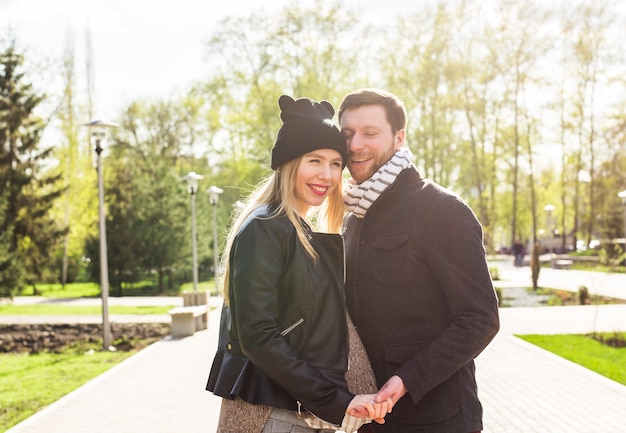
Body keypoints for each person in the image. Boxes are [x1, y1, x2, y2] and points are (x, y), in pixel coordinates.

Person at [206, 94, 388, 433]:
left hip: (294, 414)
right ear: (288, 163)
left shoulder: (295, 229)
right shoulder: (266, 228)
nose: (327, 174)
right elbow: (259, 337)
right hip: (273, 417)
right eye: (314, 160)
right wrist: (335, 401)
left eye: (336, 163)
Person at [338, 88, 500, 433]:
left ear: (399, 138)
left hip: (438, 419)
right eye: (347, 134)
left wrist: (406, 379)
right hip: (370, 418)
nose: (355, 145)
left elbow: (480, 319)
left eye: (370, 133)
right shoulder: (353, 217)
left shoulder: (442, 210)